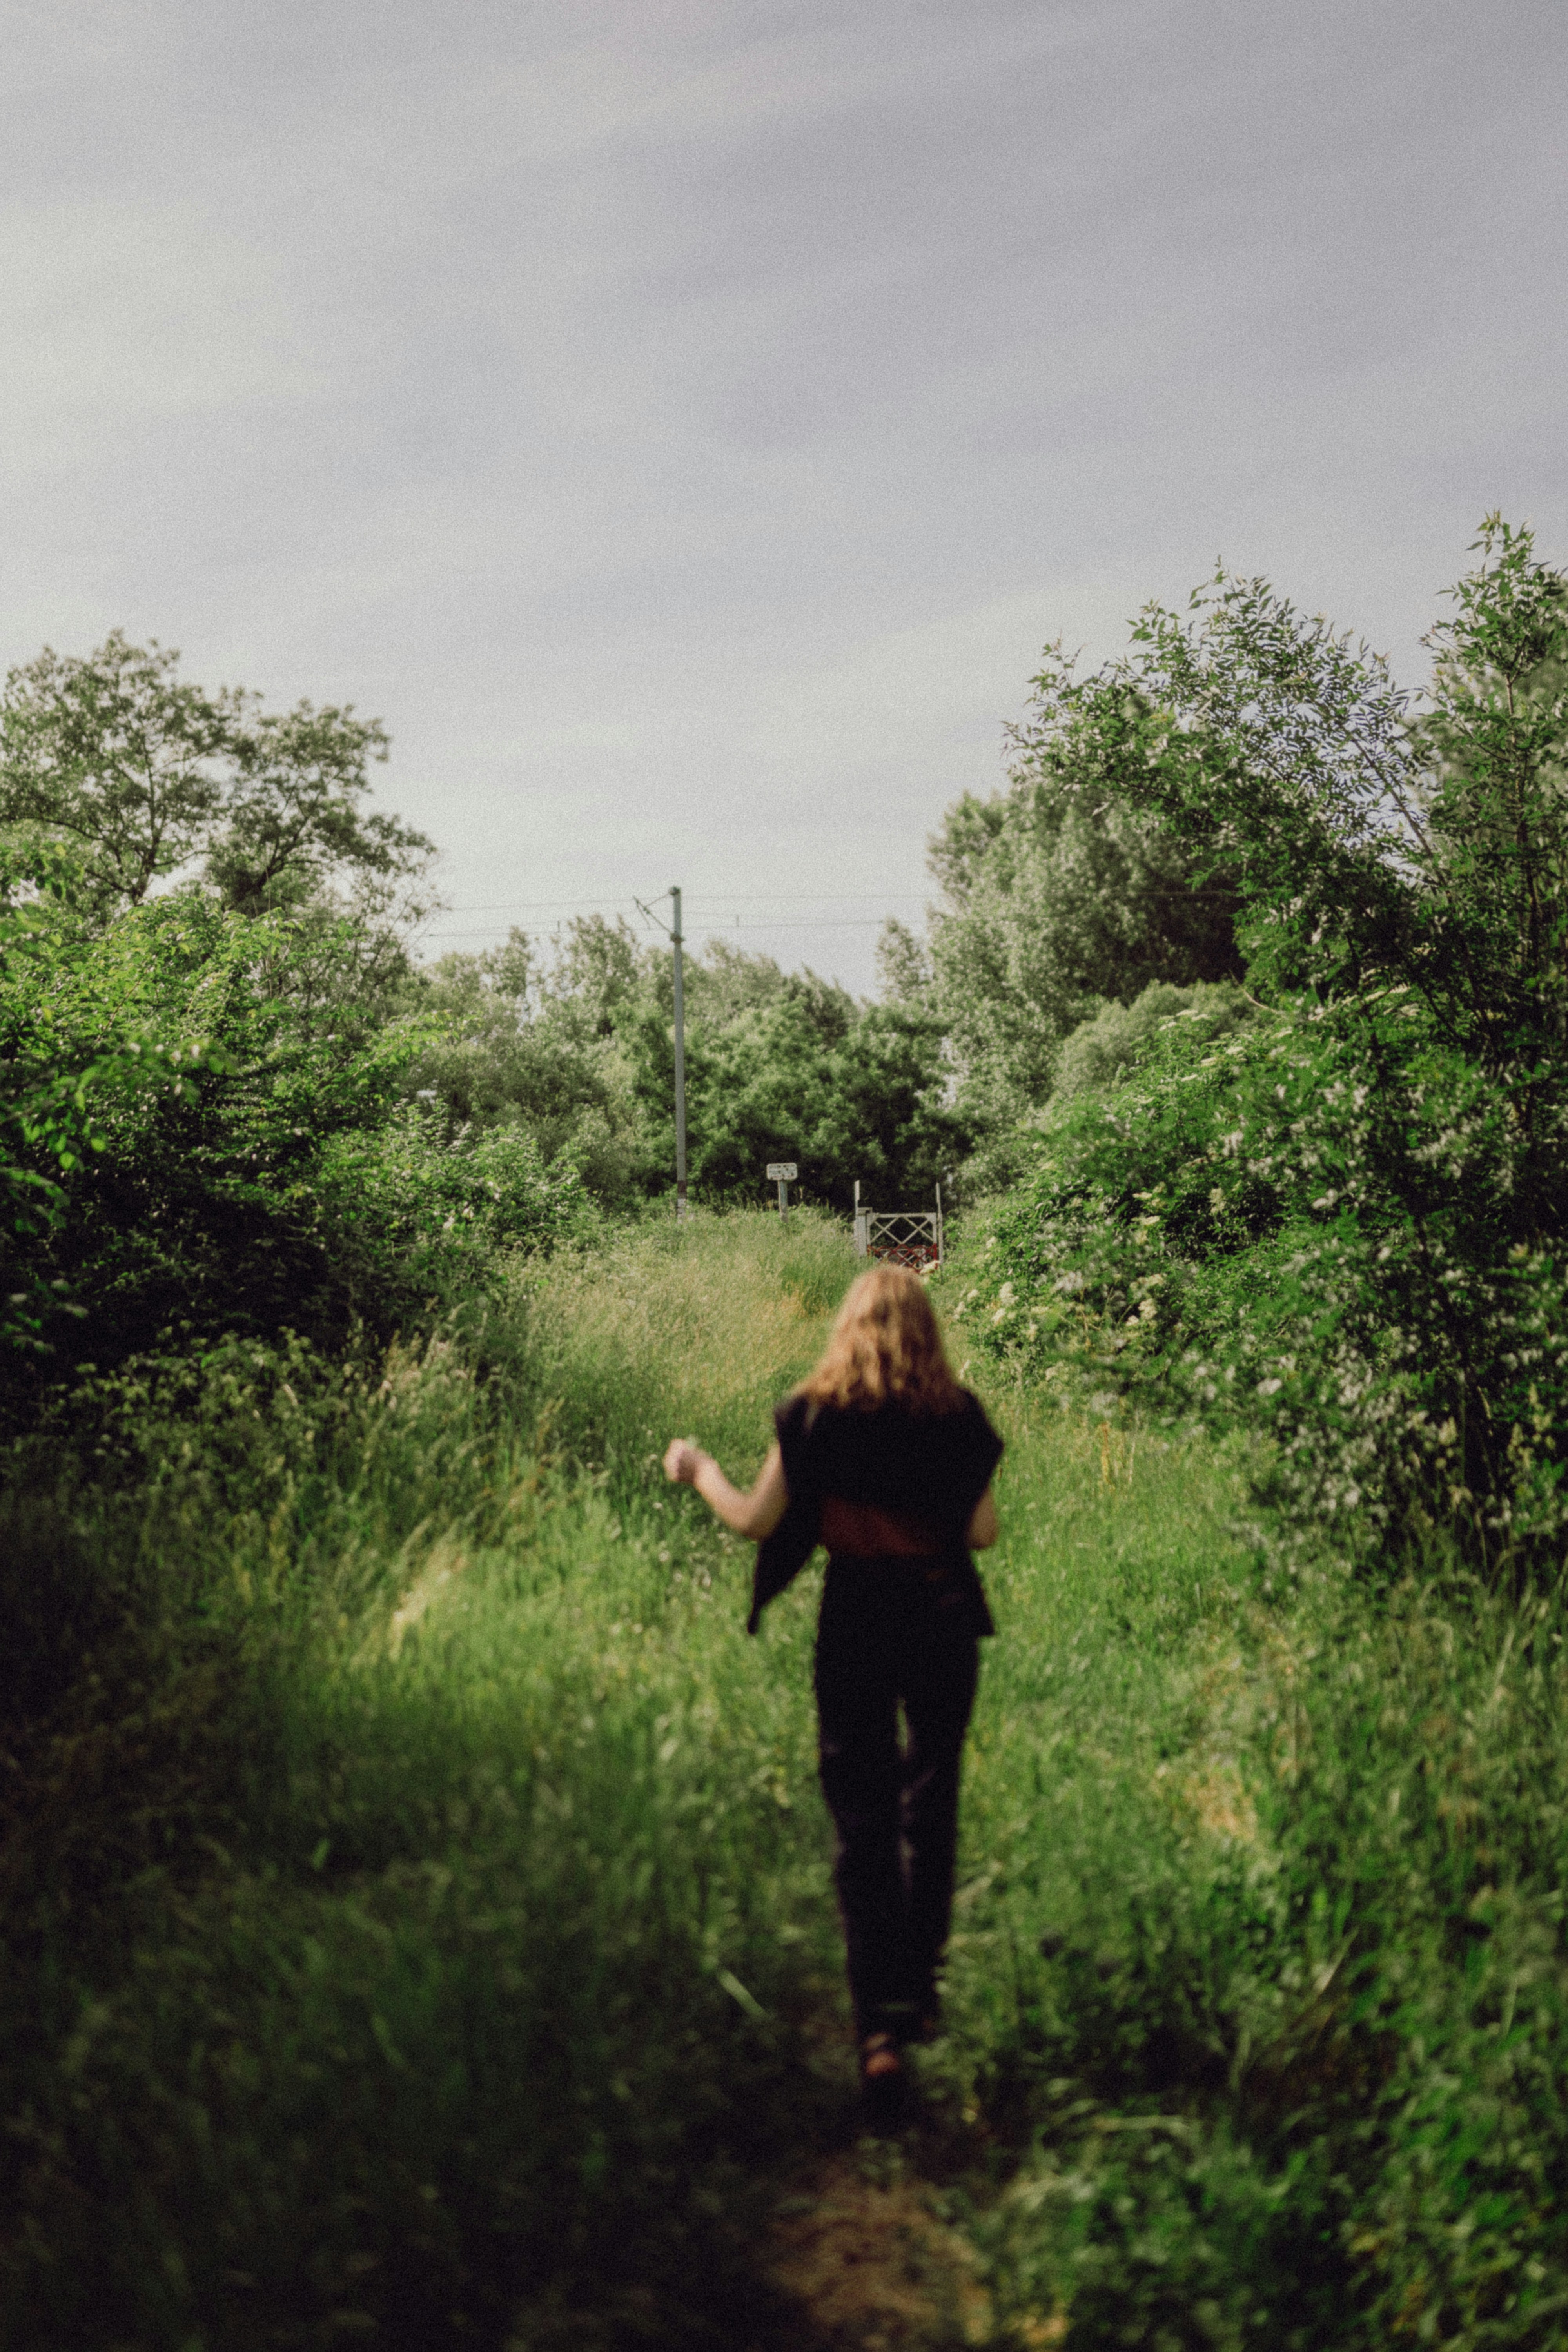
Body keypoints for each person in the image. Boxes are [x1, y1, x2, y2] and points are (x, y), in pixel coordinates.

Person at [663, 1263, 1002, 2126]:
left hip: (855, 1617)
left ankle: (875, 2037)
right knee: (930, 1803)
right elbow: (982, 1533)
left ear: (846, 1327)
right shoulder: (954, 1417)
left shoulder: (814, 1413)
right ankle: (917, 1993)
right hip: (938, 1614)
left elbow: (754, 1521)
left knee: (861, 1819)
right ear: (925, 1330)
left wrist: (697, 1466)